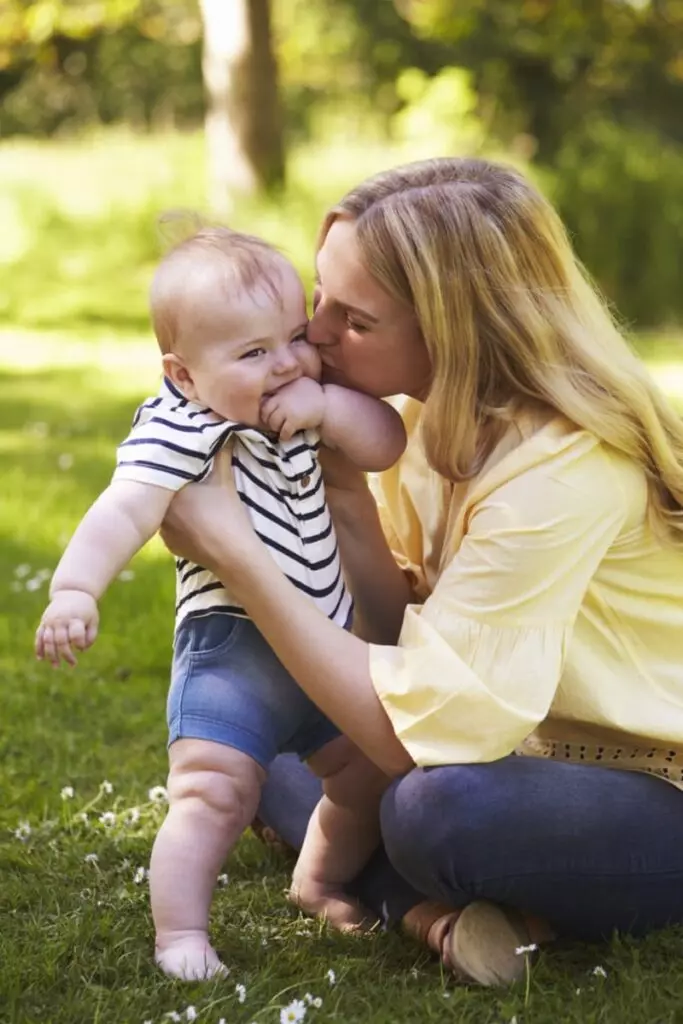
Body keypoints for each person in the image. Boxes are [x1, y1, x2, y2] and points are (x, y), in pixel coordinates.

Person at [159, 157, 683, 988]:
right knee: (245, 735)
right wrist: (343, 492)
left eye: (353, 319)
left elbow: (406, 738)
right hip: (495, 743)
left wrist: (236, 553)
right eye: (318, 296)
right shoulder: (423, 419)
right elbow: (386, 633)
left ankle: (415, 898)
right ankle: (456, 916)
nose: (314, 336)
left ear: (454, 330)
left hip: (643, 783)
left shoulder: (567, 470)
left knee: (429, 812)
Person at [34, 227, 407, 980]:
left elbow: (384, 443)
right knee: (211, 792)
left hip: (323, 648)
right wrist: (75, 589)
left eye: (294, 338)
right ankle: (180, 935)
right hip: (231, 651)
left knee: (368, 776)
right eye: (251, 354)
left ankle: (319, 878)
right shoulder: (180, 426)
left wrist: (328, 409)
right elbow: (124, 509)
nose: (285, 364)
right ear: (183, 373)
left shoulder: (304, 404)